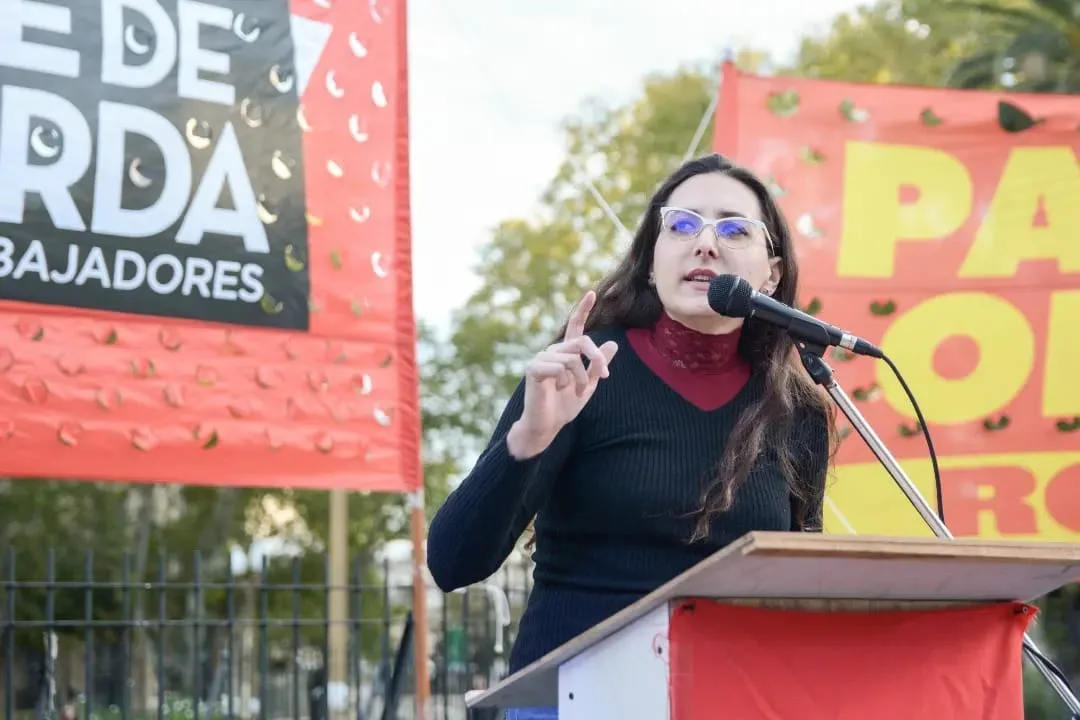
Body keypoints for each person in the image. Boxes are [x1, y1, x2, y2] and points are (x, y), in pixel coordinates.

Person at [426, 153, 836, 720]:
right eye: (682, 225)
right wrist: (529, 439)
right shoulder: (582, 370)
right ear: (650, 261)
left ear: (771, 272)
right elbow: (453, 564)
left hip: (728, 698)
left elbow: (795, 585)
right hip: (571, 698)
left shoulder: (797, 408)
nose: (705, 244)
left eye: (734, 229)